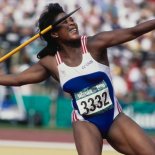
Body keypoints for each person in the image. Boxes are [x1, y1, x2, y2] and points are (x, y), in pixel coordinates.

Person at [1, 3, 155, 155]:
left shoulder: (95, 44)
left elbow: (133, 32)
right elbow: (18, 79)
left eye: (71, 20)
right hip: (85, 122)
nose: (71, 23)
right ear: (54, 34)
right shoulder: (52, 62)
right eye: (64, 22)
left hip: (114, 116)